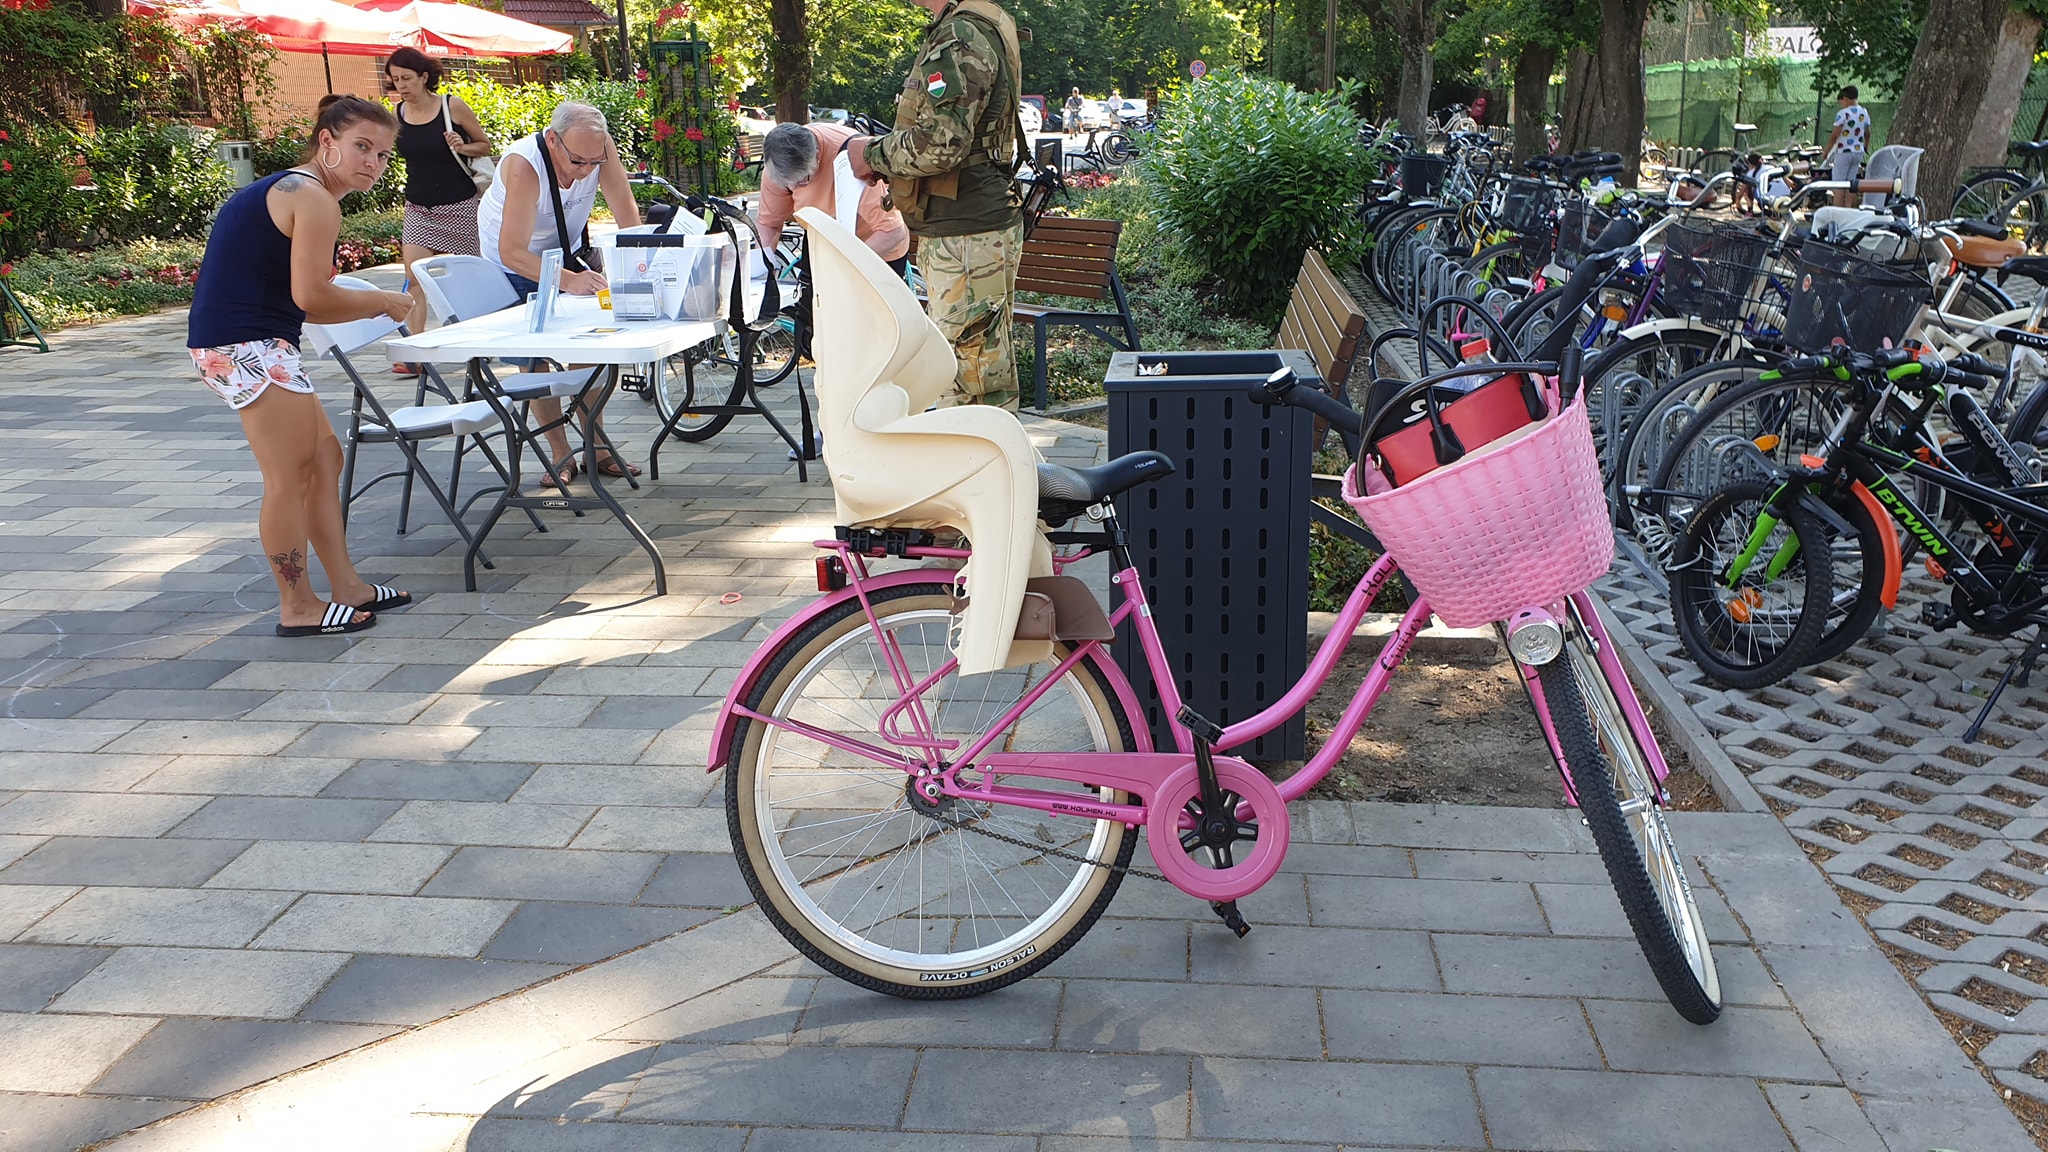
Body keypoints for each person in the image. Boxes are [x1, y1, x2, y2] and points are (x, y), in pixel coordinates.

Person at [187, 95, 416, 637]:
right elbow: (310, 297)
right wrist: (382, 301)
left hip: (257, 342)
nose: (373, 162)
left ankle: (347, 587)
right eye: (362, 147)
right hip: (246, 344)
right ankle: (297, 606)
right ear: (326, 141)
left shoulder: (301, 190)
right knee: (288, 478)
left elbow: (301, 300)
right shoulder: (312, 197)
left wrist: (368, 302)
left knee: (325, 460)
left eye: (384, 154)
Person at [845, 0, 1027, 411]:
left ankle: (974, 454)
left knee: (967, 374)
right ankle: (984, 451)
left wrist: (871, 154)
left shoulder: (958, 36)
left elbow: (944, 145)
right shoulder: (977, 24)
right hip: (971, 226)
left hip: (964, 231)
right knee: (980, 366)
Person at [477, 101, 644, 480]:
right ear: (553, 139)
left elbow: (626, 213)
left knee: (593, 342)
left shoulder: (598, 148)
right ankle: (560, 452)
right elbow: (511, 250)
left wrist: (638, 265)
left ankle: (596, 446)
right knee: (532, 355)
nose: (585, 171)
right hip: (515, 261)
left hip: (566, 251)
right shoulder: (524, 164)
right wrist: (568, 280)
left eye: (593, 162)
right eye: (577, 161)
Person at [385, 47, 490, 374]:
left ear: (424, 77)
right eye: (395, 79)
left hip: (460, 205)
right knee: (414, 278)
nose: (401, 85)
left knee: (469, 279)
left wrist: (462, 145)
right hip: (419, 206)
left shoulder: (451, 106)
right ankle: (416, 352)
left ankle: (480, 342)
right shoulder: (397, 114)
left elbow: (484, 145)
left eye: (406, 78)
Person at [756, 122, 910, 278]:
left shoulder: (853, 159)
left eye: (802, 181)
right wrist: (763, 270)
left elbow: (893, 232)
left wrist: (845, 269)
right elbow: (769, 224)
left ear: (817, 157)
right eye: (786, 185)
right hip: (822, 241)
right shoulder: (777, 164)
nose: (793, 187)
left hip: (875, 248)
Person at [1825, 85, 1870, 207]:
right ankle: (1849, 207)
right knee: (1851, 182)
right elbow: (1867, 133)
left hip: (1843, 151)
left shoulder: (1843, 114)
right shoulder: (1864, 112)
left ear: (1845, 98)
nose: (1841, 104)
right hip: (1858, 151)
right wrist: (1866, 146)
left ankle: (1838, 208)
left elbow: (1835, 135)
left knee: (1839, 183)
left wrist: (1826, 151)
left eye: (1841, 101)